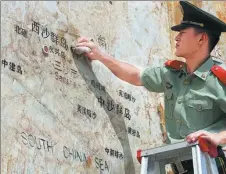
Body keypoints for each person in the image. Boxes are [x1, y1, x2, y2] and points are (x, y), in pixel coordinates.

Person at [76, 1, 226, 172]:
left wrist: (217, 137)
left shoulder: (219, 78)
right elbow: (136, 75)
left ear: (201, 39)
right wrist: (100, 56)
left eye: (183, 33)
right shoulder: (172, 74)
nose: (176, 38)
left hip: (212, 164)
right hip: (179, 165)